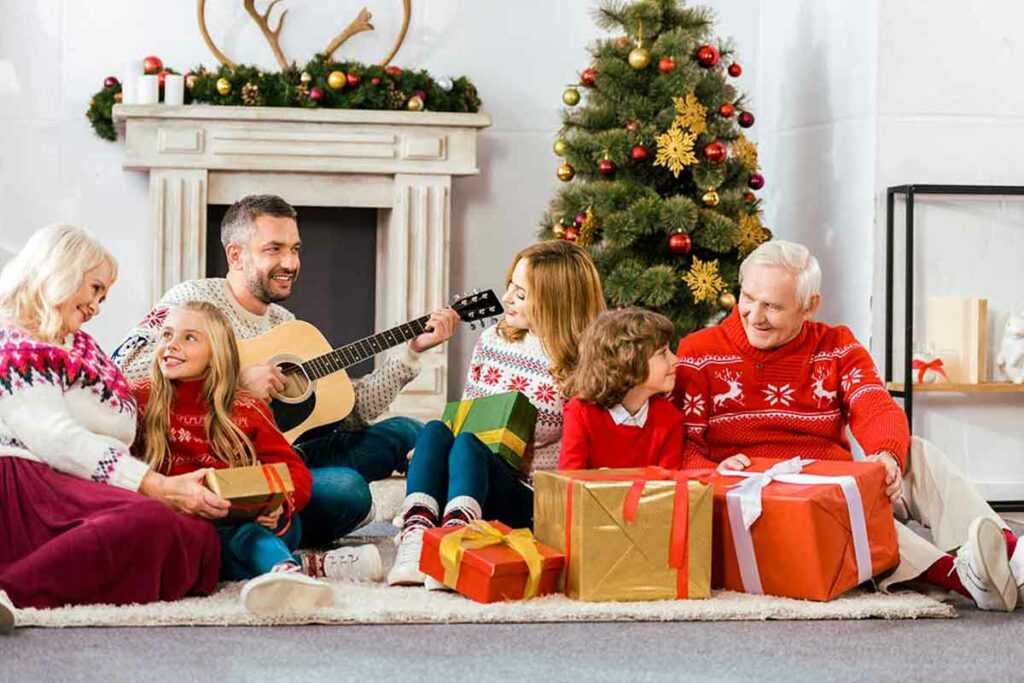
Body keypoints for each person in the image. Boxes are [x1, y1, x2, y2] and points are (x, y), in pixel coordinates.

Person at [673, 239, 1022, 611]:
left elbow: (875, 405)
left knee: (915, 452)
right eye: (748, 297)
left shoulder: (835, 345)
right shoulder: (698, 352)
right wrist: (715, 473)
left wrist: (887, 456)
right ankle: (962, 578)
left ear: (810, 306)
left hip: (833, 478)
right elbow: (683, 446)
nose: (754, 315)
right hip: (764, 497)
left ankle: (1011, 558)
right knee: (847, 512)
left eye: (773, 306)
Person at [113, 194, 460, 548]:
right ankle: (263, 531)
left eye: (295, 249)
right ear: (236, 254)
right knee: (347, 489)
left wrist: (411, 354)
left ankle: (445, 526)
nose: (290, 262)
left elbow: (350, 414)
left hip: (290, 451)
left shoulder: (288, 325)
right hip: (228, 467)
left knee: (409, 431)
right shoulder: (192, 299)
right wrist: (235, 383)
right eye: (274, 249)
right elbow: (124, 371)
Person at [0, 225, 224, 632]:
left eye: (104, 296)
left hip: (78, 482)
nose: (98, 306)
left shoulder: (78, 344)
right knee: (151, 523)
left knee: (198, 535)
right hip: (29, 485)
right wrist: (154, 484)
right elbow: (56, 438)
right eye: (95, 289)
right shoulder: (15, 340)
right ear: (62, 271)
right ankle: (14, 588)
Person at [133, 301, 384, 616]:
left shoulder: (245, 407)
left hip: (252, 521)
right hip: (187, 524)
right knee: (195, 544)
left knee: (252, 532)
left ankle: (284, 574)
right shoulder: (139, 399)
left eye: (189, 338)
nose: (171, 345)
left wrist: (278, 503)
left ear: (217, 353)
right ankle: (307, 566)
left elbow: (293, 469)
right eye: (167, 335)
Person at [387, 240, 606, 587]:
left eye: (520, 295)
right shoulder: (494, 339)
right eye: (510, 287)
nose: (505, 299)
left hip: (526, 494)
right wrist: (431, 456)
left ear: (554, 302)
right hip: (469, 475)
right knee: (434, 432)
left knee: (469, 447)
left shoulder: (582, 363)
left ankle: (455, 546)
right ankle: (418, 538)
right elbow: (466, 413)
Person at [559, 308, 684, 470]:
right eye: (662, 353)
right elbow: (569, 482)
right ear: (628, 362)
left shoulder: (670, 418)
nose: (676, 359)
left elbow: (668, 489)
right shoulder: (581, 412)